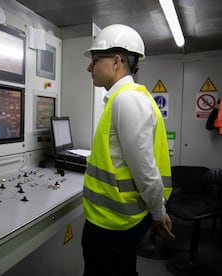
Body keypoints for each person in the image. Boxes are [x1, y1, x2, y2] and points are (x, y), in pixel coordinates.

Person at [81, 24, 176, 276]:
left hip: (112, 225)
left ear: (116, 60)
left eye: (94, 59)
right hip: (117, 221)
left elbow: (144, 168)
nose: (89, 67)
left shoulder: (126, 100)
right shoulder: (124, 98)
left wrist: (158, 213)